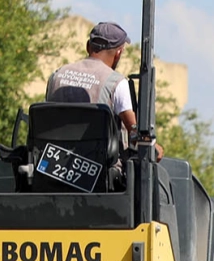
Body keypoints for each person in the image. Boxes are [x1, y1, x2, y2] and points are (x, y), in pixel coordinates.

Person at [45, 20, 160, 158]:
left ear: (88, 46)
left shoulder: (57, 75)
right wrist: (153, 146)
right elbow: (134, 132)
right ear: (118, 53)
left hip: (52, 163)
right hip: (98, 170)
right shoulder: (116, 83)